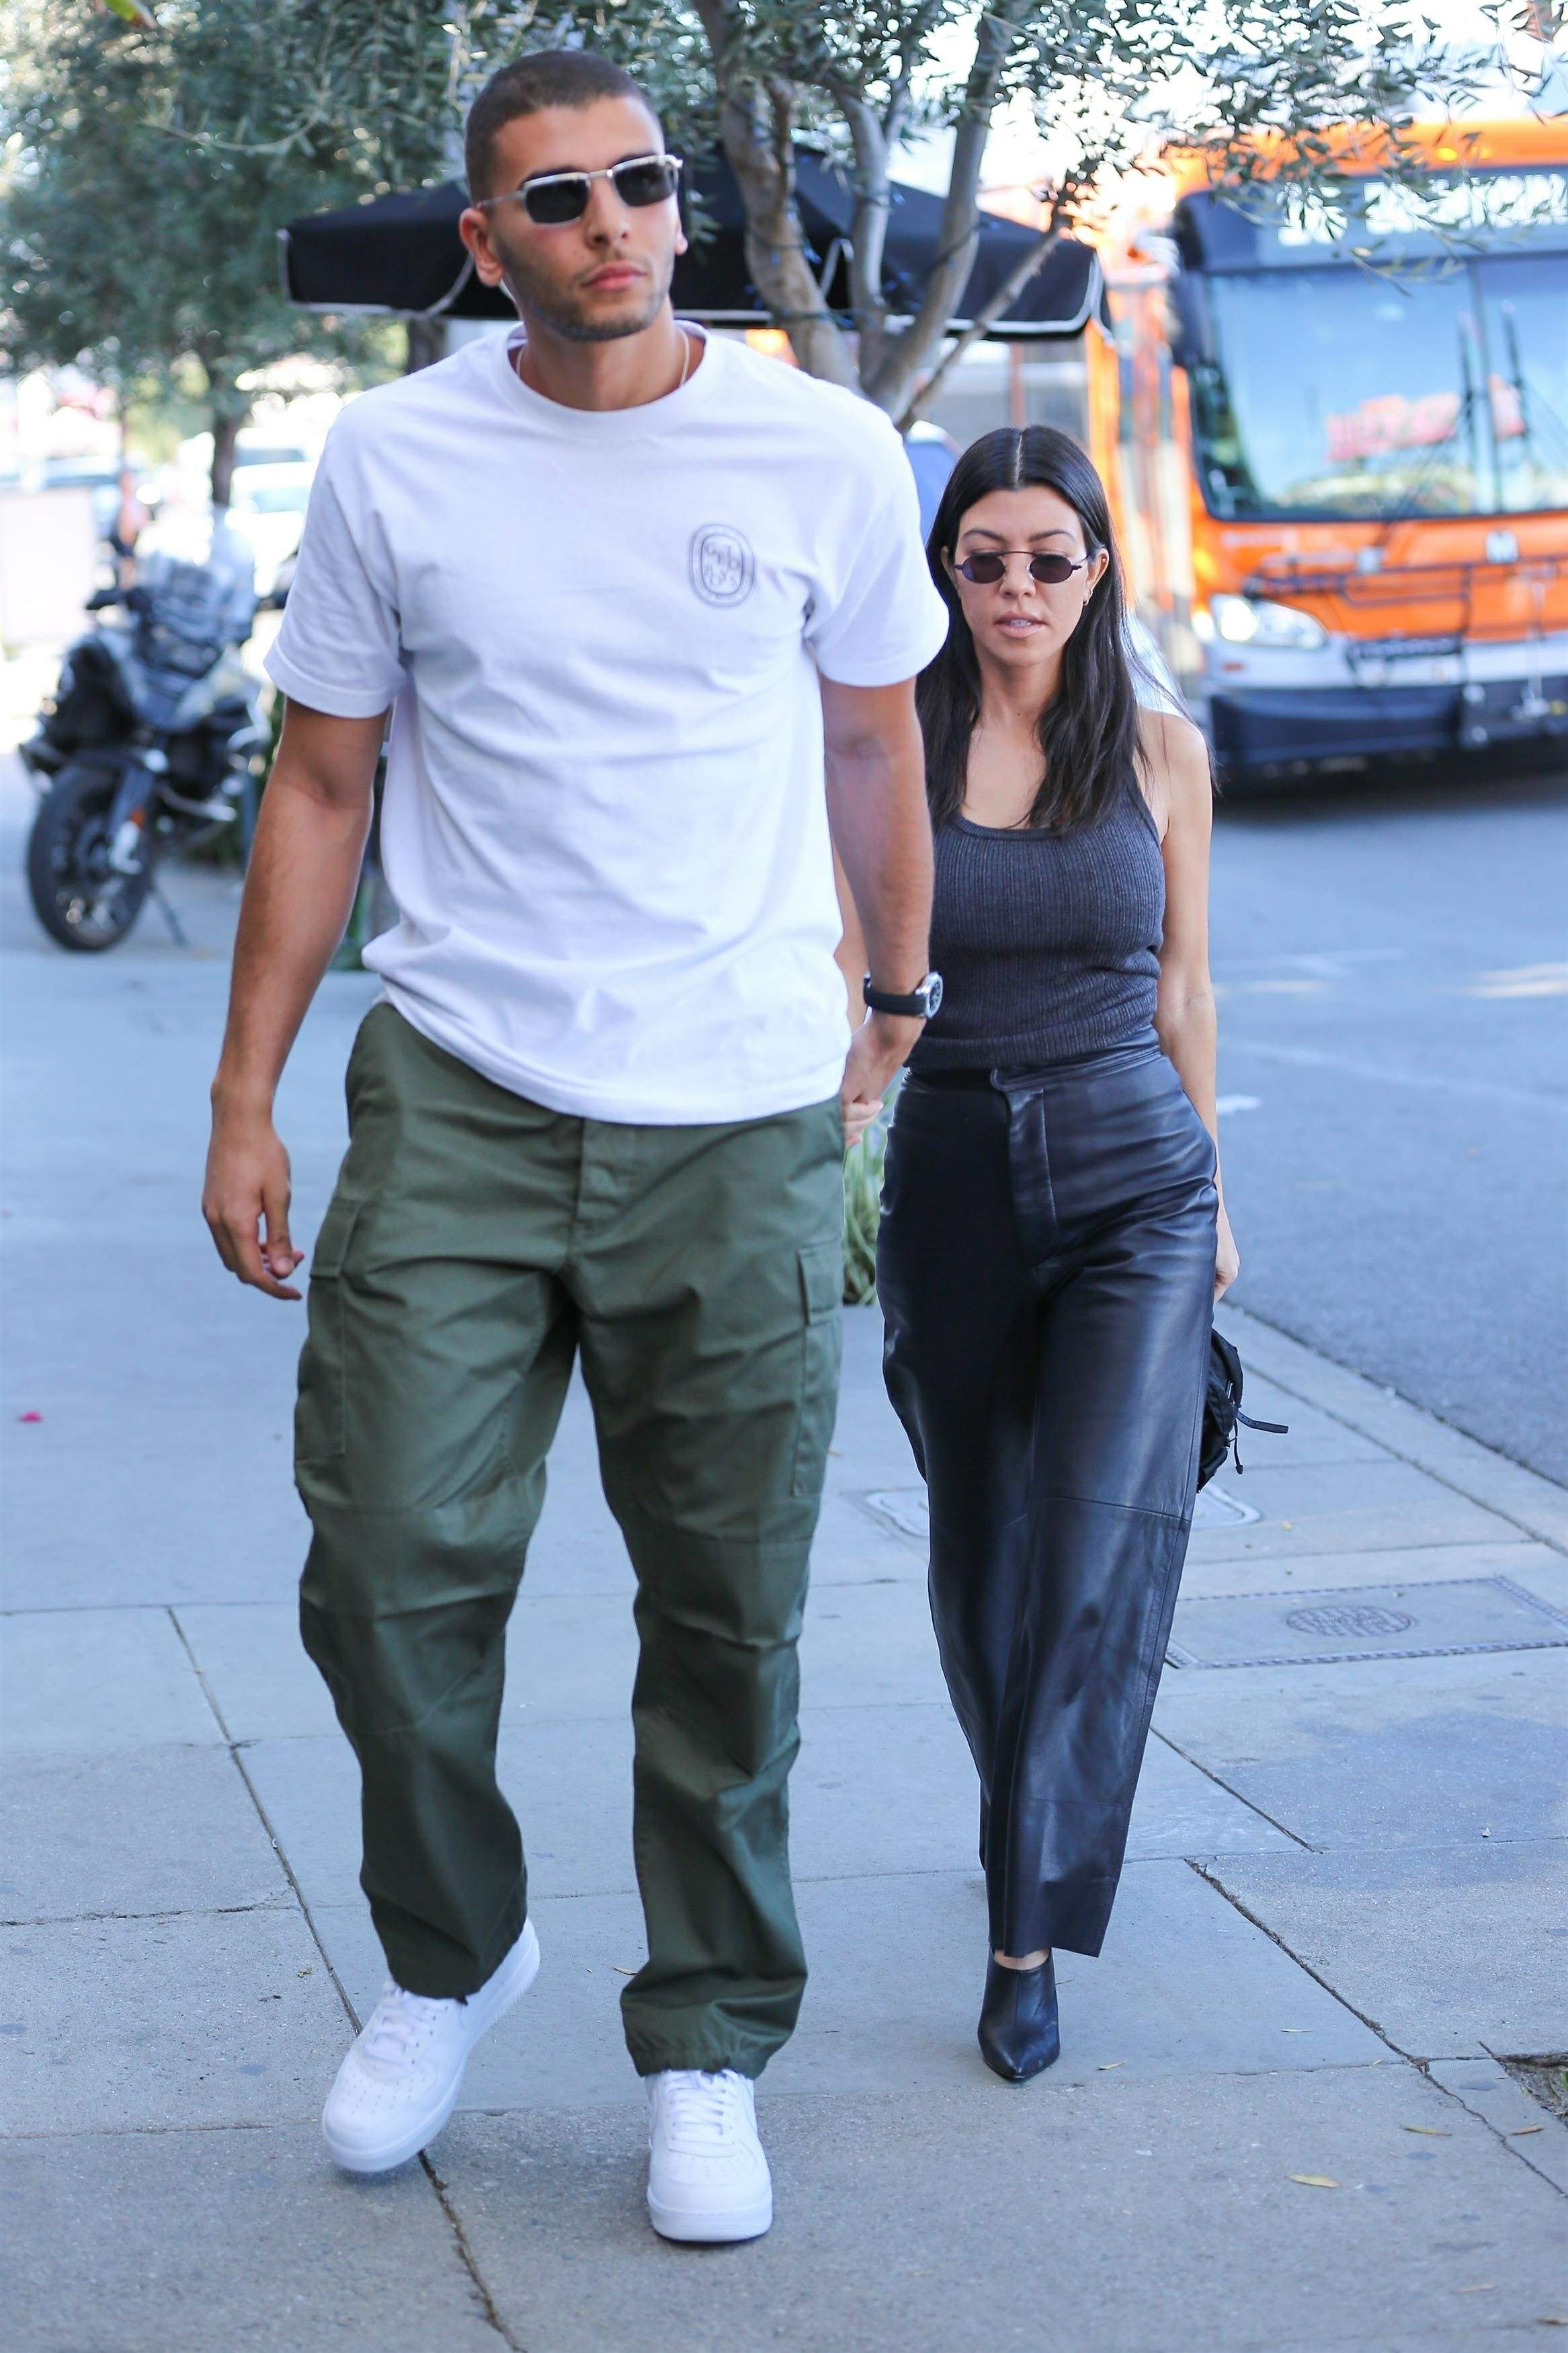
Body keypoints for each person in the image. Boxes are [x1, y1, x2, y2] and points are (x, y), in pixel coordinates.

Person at [201, 47, 948, 2239]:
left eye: (638, 182)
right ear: (485, 240)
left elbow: (873, 745)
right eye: (558, 197)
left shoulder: (819, 450)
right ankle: (453, 1949)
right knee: (380, 1568)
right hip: (460, 1086)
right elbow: (322, 781)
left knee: (727, 1610)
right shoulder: (396, 459)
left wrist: (896, 1000)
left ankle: (709, 2037)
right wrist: (243, 1094)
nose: (612, 223)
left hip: (734, 1111)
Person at [862, 425, 1239, 2083]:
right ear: (946, 570)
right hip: (950, 1174)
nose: (1017, 587)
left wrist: (1217, 1190)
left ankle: (1026, 1938)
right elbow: (847, 968)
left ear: (1097, 569)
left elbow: (1187, 988)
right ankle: (1025, 1805)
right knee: (984, 1557)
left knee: (1095, 1552)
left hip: (1134, 1180)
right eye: (986, 558)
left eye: (1048, 558)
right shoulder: (889, 741)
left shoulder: (1160, 750)